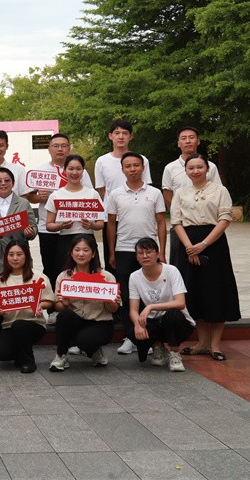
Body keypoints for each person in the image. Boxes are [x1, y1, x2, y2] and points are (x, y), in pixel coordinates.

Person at [170, 154, 240, 362]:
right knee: (195, 291)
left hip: (214, 244)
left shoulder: (220, 191)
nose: (195, 171)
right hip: (188, 243)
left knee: (215, 291)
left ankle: (215, 345)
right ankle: (202, 342)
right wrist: (190, 247)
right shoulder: (181, 192)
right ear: (186, 171)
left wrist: (203, 245)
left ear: (207, 169)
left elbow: (225, 219)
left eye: (199, 167)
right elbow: (176, 221)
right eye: (191, 168)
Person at [106, 152, 166, 355]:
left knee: (148, 294)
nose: (132, 169)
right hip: (124, 249)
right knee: (125, 294)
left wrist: (161, 251)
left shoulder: (155, 193)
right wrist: (112, 251)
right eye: (128, 166)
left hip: (149, 249)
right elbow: (111, 224)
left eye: (136, 165)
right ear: (122, 169)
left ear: (143, 167)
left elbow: (161, 222)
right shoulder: (115, 194)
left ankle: (149, 336)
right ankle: (130, 337)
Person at [26, 133, 93, 287]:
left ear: (69, 148)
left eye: (64, 146)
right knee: (50, 267)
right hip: (48, 228)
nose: (60, 149)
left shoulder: (78, 170)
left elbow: (89, 196)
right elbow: (29, 196)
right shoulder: (40, 171)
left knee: (75, 267)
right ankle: (54, 300)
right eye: (55, 146)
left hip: (74, 228)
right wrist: (39, 197)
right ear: (49, 149)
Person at [50, 236, 120, 371]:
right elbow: (58, 307)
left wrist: (107, 299)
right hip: (76, 320)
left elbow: (114, 309)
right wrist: (65, 302)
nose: (81, 254)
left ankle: (94, 349)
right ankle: (61, 355)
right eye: (77, 250)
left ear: (93, 253)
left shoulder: (106, 276)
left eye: (86, 250)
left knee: (86, 341)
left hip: (100, 322)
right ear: (71, 253)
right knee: (64, 316)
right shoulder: (64, 277)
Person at [124, 238, 195, 372]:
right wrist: (138, 325)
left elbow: (180, 303)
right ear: (136, 257)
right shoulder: (134, 277)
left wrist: (151, 306)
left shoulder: (171, 270)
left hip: (178, 322)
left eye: (149, 252)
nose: (145, 256)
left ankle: (174, 353)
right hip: (154, 321)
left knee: (173, 314)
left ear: (157, 254)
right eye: (140, 253)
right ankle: (158, 347)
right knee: (132, 328)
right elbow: (133, 310)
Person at [93, 119, 152, 270]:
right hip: (112, 218)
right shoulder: (102, 161)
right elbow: (102, 190)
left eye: (125, 133)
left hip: (138, 217)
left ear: (131, 136)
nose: (121, 137)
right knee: (113, 262)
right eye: (117, 133)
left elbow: (147, 188)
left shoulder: (142, 160)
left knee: (143, 258)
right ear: (110, 136)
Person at [0, 241, 55, 373]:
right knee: (1, 353)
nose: (15, 258)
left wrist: (39, 305)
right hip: (9, 325)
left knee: (19, 325)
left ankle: (28, 361)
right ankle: (20, 355)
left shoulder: (38, 277)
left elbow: (49, 301)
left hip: (34, 324)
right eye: (11, 255)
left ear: (26, 256)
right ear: (6, 257)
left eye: (19, 254)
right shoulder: (1, 280)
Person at [161, 126, 223, 264]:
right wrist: (179, 216)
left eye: (191, 137)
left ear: (198, 141)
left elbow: (217, 193)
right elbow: (167, 194)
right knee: (180, 265)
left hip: (207, 226)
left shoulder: (211, 167)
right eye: (183, 138)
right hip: (180, 226)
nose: (188, 141)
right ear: (178, 143)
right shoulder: (170, 168)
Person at [45, 155, 105, 275]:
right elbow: (49, 225)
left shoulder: (92, 194)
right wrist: (61, 225)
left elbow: (100, 224)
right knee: (66, 276)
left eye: (78, 169)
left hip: (88, 240)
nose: (74, 172)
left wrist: (91, 225)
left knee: (91, 275)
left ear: (83, 171)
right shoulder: (56, 195)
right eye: (71, 169)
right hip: (65, 241)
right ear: (64, 170)